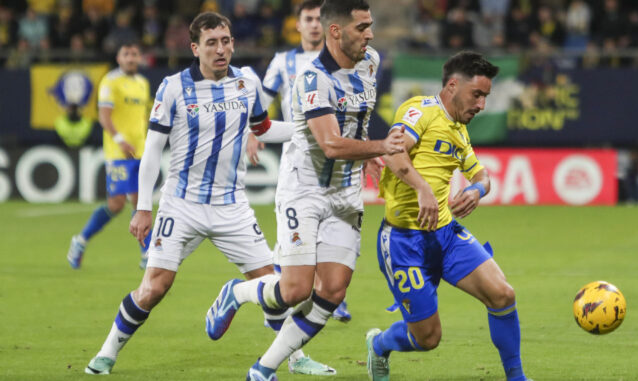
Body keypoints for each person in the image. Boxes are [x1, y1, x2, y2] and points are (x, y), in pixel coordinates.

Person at [83, 12, 331, 376]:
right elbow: (153, 150)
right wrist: (145, 207)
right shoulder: (173, 87)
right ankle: (106, 353)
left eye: (226, 41)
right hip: (181, 204)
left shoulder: (247, 82)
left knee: (277, 285)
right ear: (195, 48)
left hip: (232, 206)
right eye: (212, 43)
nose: (221, 49)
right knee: (154, 288)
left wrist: (307, 130)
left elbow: (261, 128)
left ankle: (294, 359)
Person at [205, 1, 406, 379]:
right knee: (295, 289)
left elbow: (355, 122)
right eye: (361, 27)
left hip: (346, 192)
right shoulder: (311, 80)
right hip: (305, 190)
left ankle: (262, 369)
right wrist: (382, 147)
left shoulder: (371, 62)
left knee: (332, 291)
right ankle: (238, 292)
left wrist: (366, 155)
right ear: (336, 31)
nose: (370, 34)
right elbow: (330, 144)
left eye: (370, 25)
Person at [365, 52, 530, 381]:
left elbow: (483, 176)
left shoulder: (459, 131)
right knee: (427, 338)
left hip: (445, 235)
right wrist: (422, 188)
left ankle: (517, 378)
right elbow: (395, 154)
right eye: (477, 95)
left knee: (502, 294)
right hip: (403, 241)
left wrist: (477, 191)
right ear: (453, 85)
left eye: (485, 97)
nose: (481, 105)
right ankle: (379, 344)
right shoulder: (420, 111)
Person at [248, 0, 352, 323]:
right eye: (308, 19)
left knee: (332, 223)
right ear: (298, 24)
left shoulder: (339, 60)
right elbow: (261, 103)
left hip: (332, 152)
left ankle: (327, 291)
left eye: (319, 19)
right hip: (298, 151)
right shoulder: (283, 61)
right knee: (297, 228)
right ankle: (287, 292)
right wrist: (254, 134)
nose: (314, 25)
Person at [67, 41, 152, 270]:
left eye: (135, 54)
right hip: (117, 152)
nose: (131, 58)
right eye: (127, 54)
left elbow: (142, 117)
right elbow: (105, 116)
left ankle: (147, 255)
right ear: (119, 58)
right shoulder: (110, 82)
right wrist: (119, 140)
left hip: (140, 151)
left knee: (140, 202)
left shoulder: (143, 83)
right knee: (116, 204)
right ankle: (80, 241)